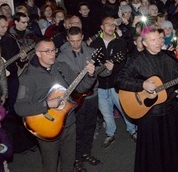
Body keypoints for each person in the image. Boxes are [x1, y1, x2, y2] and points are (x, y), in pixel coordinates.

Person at [116, 27, 178, 172]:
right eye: (153, 40)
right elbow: (119, 80)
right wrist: (142, 84)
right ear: (144, 43)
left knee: (171, 148)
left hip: (170, 111)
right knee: (152, 152)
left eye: (160, 39)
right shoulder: (136, 60)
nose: (158, 42)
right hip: (149, 114)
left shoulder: (169, 56)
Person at [14, 39, 96, 172]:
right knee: (50, 166)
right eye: (47, 51)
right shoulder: (29, 77)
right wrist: (47, 104)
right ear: (38, 54)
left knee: (69, 162)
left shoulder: (61, 67)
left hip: (69, 124)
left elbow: (80, 88)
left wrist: (91, 75)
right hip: (47, 128)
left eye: (54, 50)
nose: (52, 54)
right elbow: (20, 108)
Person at [57, 27, 112, 171]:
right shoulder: (62, 57)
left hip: (92, 95)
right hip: (75, 98)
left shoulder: (91, 51)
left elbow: (103, 73)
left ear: (82, 37)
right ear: (68, 39)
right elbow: (61, 79)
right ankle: (76, 158)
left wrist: (109, 69)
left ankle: (86, 152)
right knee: (77, 129)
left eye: (78, 40)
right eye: (72, 41)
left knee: (90, 127)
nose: (75, 44)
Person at [89, 17, 136, 148]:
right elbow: (91, 63)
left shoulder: (120, 42)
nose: (111, 27)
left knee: (125, 108)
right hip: (100, 85)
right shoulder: (94, 44)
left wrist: (114, 68)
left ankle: (132, 130)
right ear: (101, 27)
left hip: (116, 84)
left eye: (113, 25)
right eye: (107, 24)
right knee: (106, 112)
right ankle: (110, 133)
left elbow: (123, 62)